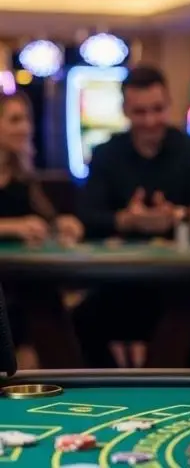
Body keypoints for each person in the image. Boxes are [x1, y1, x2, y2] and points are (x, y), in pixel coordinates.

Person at [73, 65, 190, 368]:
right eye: (140, 112)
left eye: (157, 109)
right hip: (119, 283)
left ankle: (177, 393)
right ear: (125, 110)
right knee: (79, 321)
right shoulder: (106, 154)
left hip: (182, 283)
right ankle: (110, 392)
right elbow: (86, 217)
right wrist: (126, 220)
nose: (150, 120)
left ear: (169, 106)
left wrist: (178, 216)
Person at [0, 91, 84, 367]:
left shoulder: (21, 172)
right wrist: (13, 227)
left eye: (27, 119)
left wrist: (60, 225)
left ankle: (68, 386)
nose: (25, 127)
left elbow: (43, 220)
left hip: (23, 277)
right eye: (15, 120)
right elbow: (20, 224)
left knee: (45, 298)